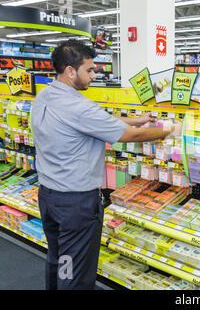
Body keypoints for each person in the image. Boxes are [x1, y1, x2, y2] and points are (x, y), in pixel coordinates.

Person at [31, 39, 181, 290]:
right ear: (70, 71)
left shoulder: (45, 95)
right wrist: (169, 130)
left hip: (49, 196)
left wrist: (138, 119)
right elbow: (128, 137)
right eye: (89, 70)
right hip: (75, 204)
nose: (94, 74)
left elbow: (99, 120)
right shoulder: (79, 106)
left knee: (59, 259)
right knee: (75, 270)